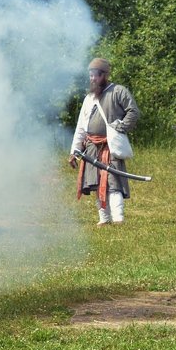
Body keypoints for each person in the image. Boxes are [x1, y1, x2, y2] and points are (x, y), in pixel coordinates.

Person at [68, 58, 140, 226]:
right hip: (92, 146)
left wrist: (120, 126)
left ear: (105, 75)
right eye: (91, 75)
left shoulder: (118, 91)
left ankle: (118, 218)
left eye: (96, 75)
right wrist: (74, 151)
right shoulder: (89, 98)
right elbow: (81, 126)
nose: (92, 79)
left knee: (113, 183)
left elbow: (133, 111)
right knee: (96, 182)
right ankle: (104, 219)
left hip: (110, 145)